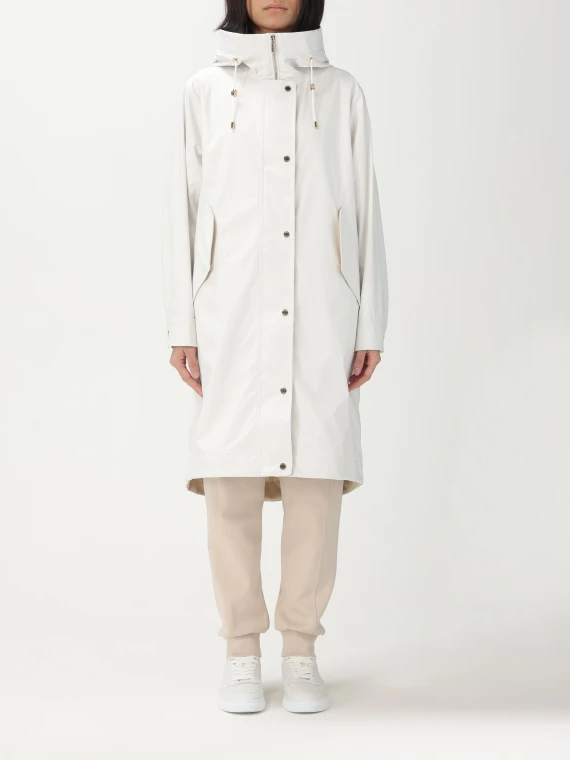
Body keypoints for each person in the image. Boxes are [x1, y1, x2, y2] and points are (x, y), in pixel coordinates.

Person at [162, 0, 388, 714]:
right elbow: (182, 210)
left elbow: (364, 208)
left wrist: (370, 322)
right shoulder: (205, 90)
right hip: (228, 314)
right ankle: (240, 651)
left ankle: (300, 651)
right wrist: (182, 323)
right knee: (229, 484)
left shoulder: (341, 91)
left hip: (322, 314)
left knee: (315, 485)